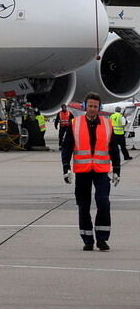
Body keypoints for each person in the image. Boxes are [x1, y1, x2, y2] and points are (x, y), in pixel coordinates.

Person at [62, 92, 121, 251]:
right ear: (85, 107)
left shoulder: (107, 124)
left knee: (104, 203)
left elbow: (114, 148)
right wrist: (65, 167)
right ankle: (87, 239)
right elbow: (67, 147)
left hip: (101, 171)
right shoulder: (75, 123)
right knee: (83, 206)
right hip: (82, 171)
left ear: (99, 107)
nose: (93, 109)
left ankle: (102, 239)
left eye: (95, 106)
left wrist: (117, 169)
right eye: (90, 106)